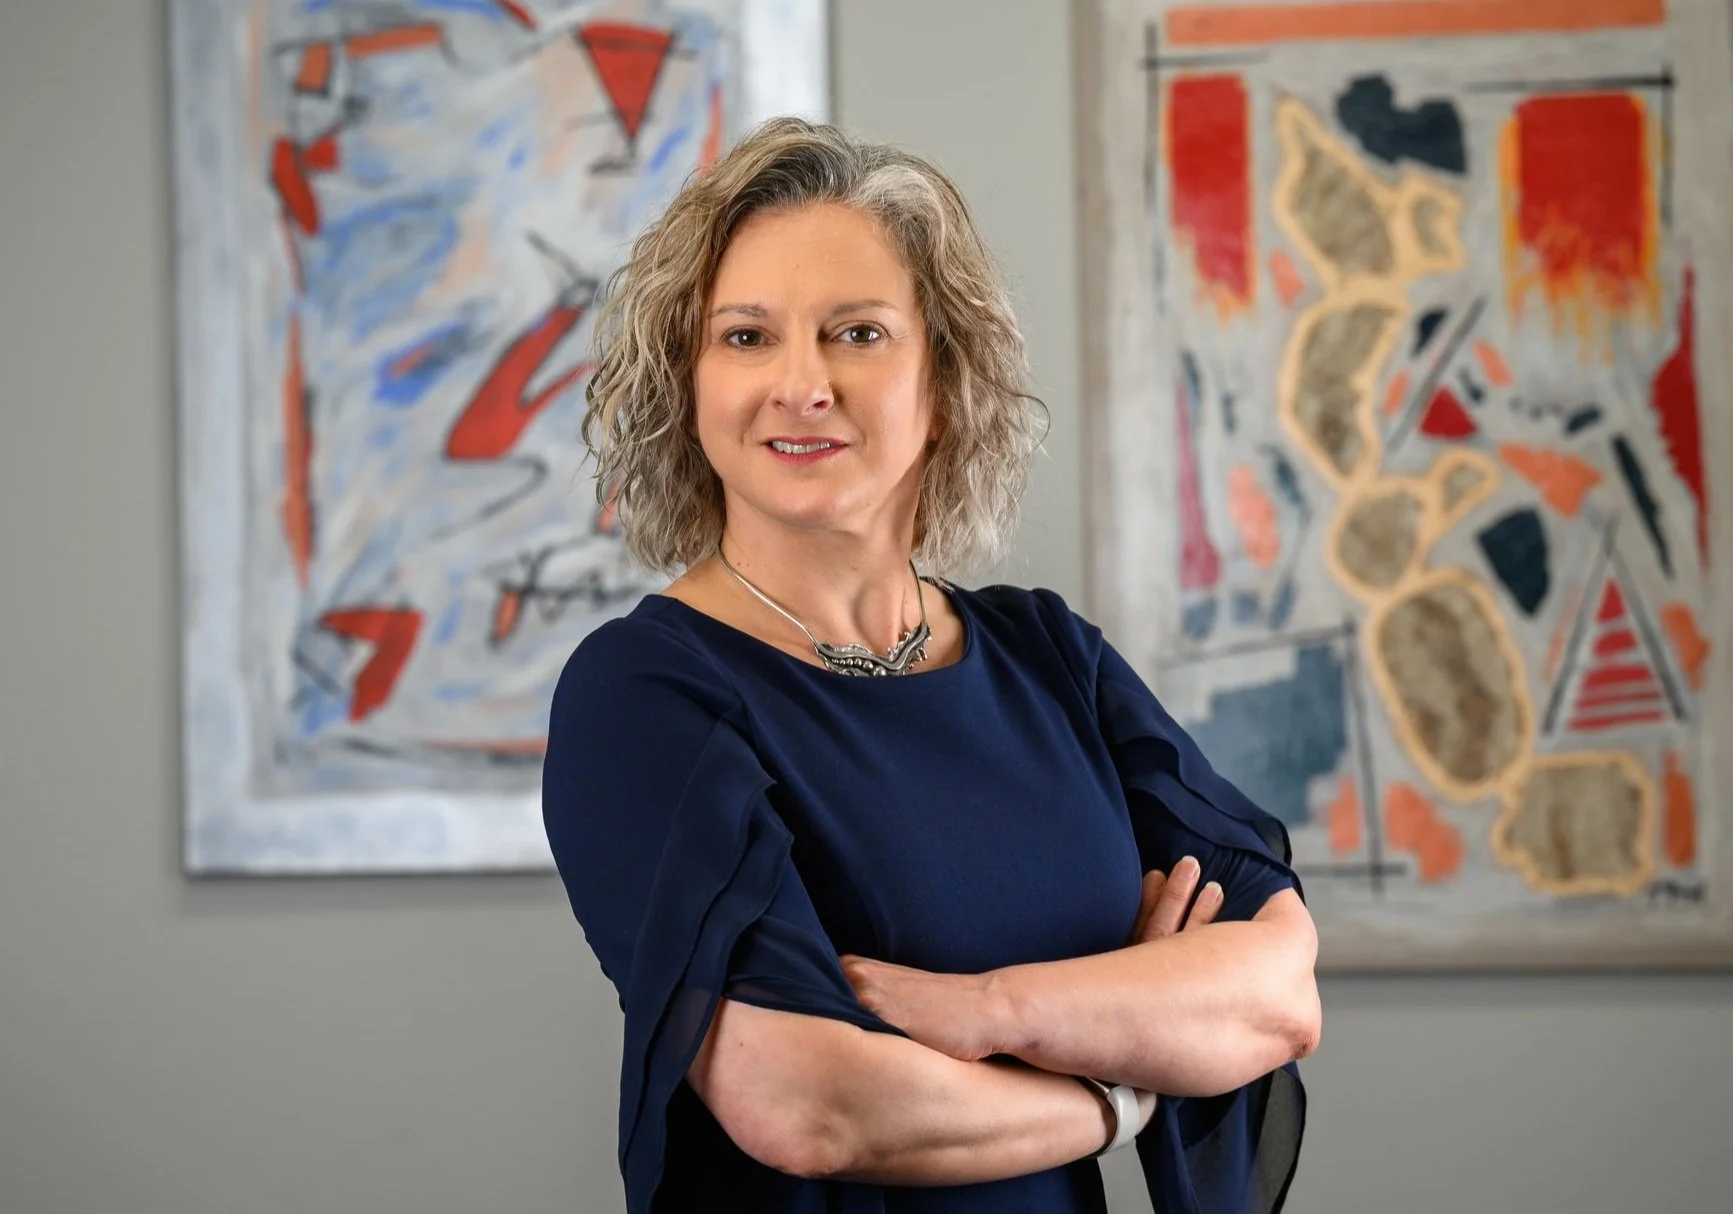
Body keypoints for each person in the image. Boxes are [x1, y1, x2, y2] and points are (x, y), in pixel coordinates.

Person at [541, 117, 1320, 1214]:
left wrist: (994, 1010)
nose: (800, 384)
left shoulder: (1048, 657)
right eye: (746, 337)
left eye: (856, 333)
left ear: (945, 382)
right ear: (690, 383)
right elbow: (810, 1103)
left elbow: (1277, 988)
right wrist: (1123, 1081)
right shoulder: (642, 693)